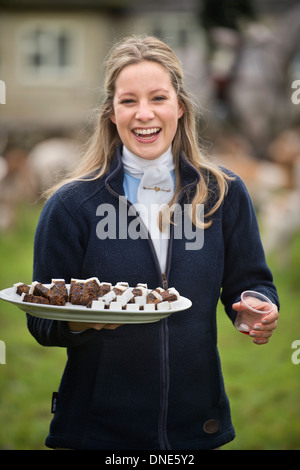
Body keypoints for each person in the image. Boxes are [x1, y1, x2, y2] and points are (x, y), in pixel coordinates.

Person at [27, 34, 279, 450]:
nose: (144, 114)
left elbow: (251, 281)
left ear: (180, 106)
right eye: (129, 101)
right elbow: (40, 319)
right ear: (111, 112)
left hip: (197, 427)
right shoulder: (71, 205)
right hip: (97, 432)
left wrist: (255, 307)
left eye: (158, 97)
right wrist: (81, 319)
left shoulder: (223, 193)